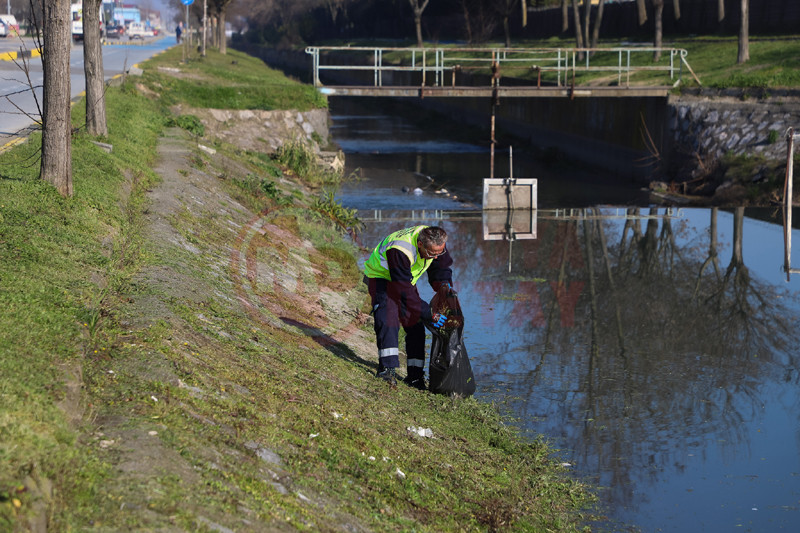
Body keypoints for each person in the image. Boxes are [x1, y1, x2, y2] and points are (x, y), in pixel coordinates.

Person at [363, 225, 454, 390]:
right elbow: (403, 292)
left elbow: (440, 268)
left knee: (415, 324)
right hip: (381, 277)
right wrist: (430, 313)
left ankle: (415, 377)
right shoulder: (399, 249)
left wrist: (444, 288)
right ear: (420, 244)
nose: (436, 256)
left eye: (439, 252)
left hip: (404, 279)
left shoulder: (436, 241)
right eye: (432, 253)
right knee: (388, 318)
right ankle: (387, 370)